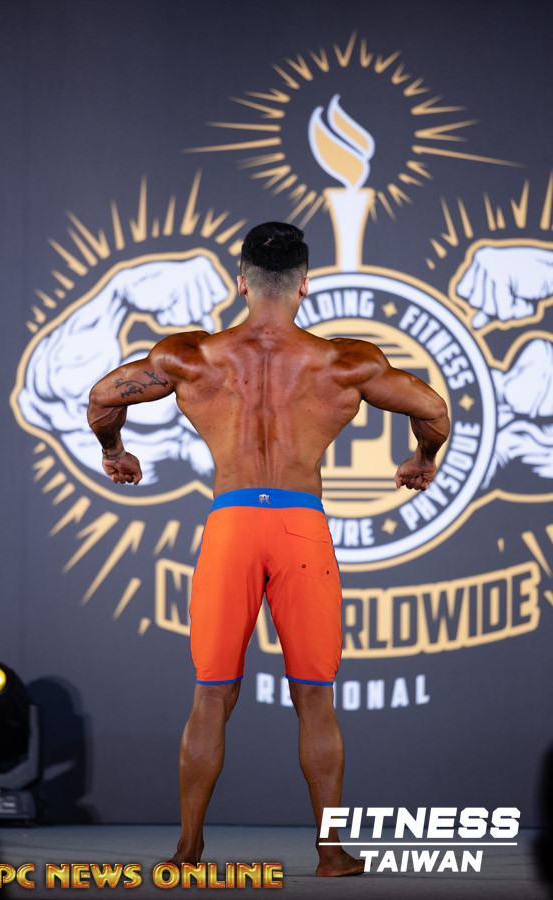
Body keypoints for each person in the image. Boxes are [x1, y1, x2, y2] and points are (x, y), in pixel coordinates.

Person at [87, 222, 450, 877]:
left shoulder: (191, 356)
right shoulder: (345, 362)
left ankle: (188, 849)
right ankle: (330, 852)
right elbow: (433, 409)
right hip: (300, 530)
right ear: (305, 285)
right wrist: (422, 460)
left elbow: (103, 396)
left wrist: (115, 452)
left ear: (242, 282)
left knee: (210, 696)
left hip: (231, 527)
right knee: (315, 698)